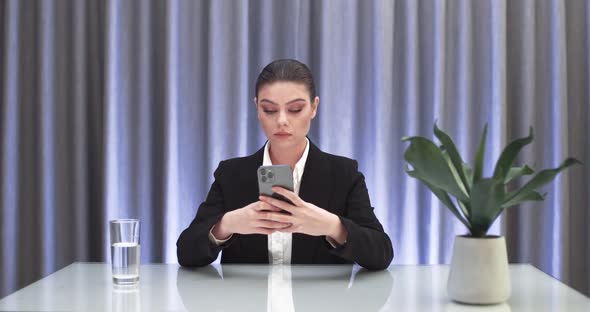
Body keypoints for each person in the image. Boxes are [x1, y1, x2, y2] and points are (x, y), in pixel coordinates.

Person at [176, 59, 393, 270]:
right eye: (269, 110)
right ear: (257, 108)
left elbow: (381, 254)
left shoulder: (344, 174)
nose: (281, 120)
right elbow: (186, 253)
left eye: (295, 109)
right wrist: (226, 225)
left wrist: (333, 227)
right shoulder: (231, 174)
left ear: (314, 107)